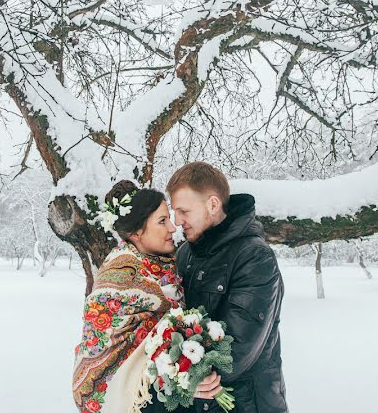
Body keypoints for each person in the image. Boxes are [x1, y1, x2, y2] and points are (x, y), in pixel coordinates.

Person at [73, 180, 220, 413]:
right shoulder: (119, 277)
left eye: (170, 219)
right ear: (135, 233)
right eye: (162, 221)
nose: (173, 228)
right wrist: (181, 380)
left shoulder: (168, 267)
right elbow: (110, 363)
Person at [168, 162, 288, 413]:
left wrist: (180, 374)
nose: (176, 220)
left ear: (212, 204)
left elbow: (236, 353)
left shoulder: (255, 257)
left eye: (183, 211)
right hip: (197, 402)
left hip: (245, 403)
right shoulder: (185, 253)